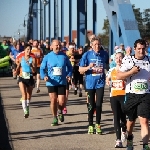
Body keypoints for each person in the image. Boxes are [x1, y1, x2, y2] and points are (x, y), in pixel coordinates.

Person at [117, 39, 150, 150]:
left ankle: (145, 146)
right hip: (132, 94)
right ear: (134, 49)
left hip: (145, 94)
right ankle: (130, 138)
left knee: (144, 120)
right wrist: (131, 72)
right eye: (139, 49)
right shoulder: (128, 60)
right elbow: (118, 76)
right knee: (131, 121)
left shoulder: (149, 60)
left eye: (143, 49)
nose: (141, 51)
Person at [79, 37, 109, 134]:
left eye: (99, 44)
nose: (97, 46)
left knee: (99, 104)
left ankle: (98, 124)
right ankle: (90, 125)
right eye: (95, 44)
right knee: (91, 105)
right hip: (90, 84)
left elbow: (109, 67)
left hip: (100, 83)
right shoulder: (86, 55)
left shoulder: (104, 54)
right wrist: (88, 67)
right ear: (91, 45)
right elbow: (80, 70)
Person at [40, 39, 72, 126]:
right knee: (53, 100)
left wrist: (69, 75)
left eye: (59, 45)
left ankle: (60, 111)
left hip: (62, 81)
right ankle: (54, 117)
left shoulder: (64, 56)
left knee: (61, 102)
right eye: (56, 45)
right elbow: (42, 69)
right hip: (51, 82)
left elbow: (69, 67)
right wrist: (44, 76)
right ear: (51, 47)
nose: (58, 47)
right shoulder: (47, 57)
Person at [106, 51, 127, 148]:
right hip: (114, 96)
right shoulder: (112, 70)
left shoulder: (126, 70)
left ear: (123, 58)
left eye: (120, 57)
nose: (119, 59)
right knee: (116, 117)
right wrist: (108, 81)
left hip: (124, 95)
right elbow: (107, 79)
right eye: (117, 58)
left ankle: (124, 131)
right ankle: (118, 140)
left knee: (123, 116)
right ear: (114, 59)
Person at [15, 44, 36, 118]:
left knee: (29, 95)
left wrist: (32, 66)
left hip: (30, 78)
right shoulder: (21, 58)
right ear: (24, 50)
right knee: (24, 94)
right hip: (22, 78)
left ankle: (27, 107)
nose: (29, 51)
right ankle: (25, 111)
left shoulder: (32, 59)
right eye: (27, 49)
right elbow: (18, 67)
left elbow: (34, 71)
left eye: (30, 49)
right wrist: (16, 71)